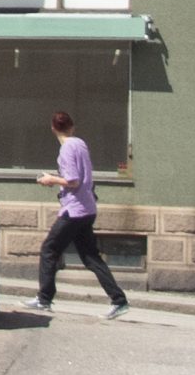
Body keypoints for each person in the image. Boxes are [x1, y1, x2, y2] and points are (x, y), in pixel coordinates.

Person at [23, 109, 131, 320]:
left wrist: (50, 179)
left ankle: (44, 299)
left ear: (53, 128)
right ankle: (119, 301)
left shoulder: (66, 149)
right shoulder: (80, 144)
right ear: (72, 127)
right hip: (88, 209)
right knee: (91, 257)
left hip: (74, 210)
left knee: (49, 249)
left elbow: (73, 181)